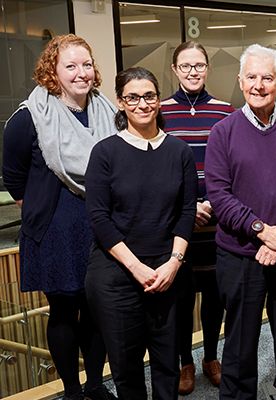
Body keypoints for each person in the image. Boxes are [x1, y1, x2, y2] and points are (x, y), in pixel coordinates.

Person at [2, 34, 117, 400]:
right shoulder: (30, 116)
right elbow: (14, 173)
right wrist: (29, 203)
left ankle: (96, 385)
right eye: (70, 66)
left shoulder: (106, 111)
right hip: (55, 229)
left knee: (96, 310)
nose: (81, 73)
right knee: (64, 312)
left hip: (99, 223)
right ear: (52, 71)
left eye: (86, 64)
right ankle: (72, 392)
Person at [205, 44, 276, 400]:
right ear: (240, 81)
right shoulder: (222, 132)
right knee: (241, 335)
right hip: (240, 253)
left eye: (267, 77)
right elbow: (220, 196)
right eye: (252, 77)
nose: (259, 85)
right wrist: (263, 232)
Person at [84, 66, 197, 399]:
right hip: (117, 275)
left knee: (167, 365)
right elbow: (99, 219)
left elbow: (186, 212)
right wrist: (137, 268)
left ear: (159, 100)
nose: (142, 104)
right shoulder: (105, 153)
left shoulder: (179, 151)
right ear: (121, 103)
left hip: (167, 272)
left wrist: (174, 263)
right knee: (127, 369)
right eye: (132, 97)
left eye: (149, 96)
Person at [160, 40, 235, 394]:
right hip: (176, 223)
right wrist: (187, 209)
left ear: (207, 68)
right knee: (180, 297)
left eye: (199, 66)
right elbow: (155, 170)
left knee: (214, 295)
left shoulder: (225, 111)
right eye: (186, 66)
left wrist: (214, 205)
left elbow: (233, 167)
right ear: (175, 69)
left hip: (217, 220)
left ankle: (210, 356)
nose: (193, 72)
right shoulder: (158, 112)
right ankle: (185, 363)